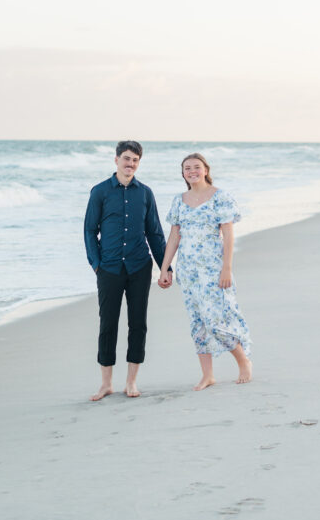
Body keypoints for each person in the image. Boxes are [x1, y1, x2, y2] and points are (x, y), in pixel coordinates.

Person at [84, 140, 172, 401]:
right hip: (109, 268)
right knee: (107, 324)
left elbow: (155, 233)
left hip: (139, 266)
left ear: (138, 163)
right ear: (116, 160)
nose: (130, 163)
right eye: (126, 158)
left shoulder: (145, 193)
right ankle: (106, 384)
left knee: (138, 324)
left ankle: (131, 382)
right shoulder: (99, 192)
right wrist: (96, 264)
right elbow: (90, 230)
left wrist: (165, 268)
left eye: (135, 160)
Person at [159, 152, 252, 390]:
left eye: (196, 167)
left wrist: (226, 268)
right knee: (197, 321)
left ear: (206, 170)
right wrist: (164, 268)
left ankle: (243, 361)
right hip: (187, 269)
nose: (192, 171)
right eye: (187, 168)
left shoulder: (220, 197)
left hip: (213, 267)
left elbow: (229, 234)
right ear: (183, 173)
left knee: (215, 319)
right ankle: (207, 375)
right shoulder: (179, 200)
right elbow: (174, 236)